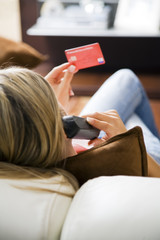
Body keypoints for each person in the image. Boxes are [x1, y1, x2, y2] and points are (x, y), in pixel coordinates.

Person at [0, 63, 159, 181]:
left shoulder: (29, 153)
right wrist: (128, 142)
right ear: (62, 130)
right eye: (54, 105)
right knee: (127, 83)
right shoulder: (100, 166)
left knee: (125, 81)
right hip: (149, 162)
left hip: (69, 141)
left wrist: (44, 107)